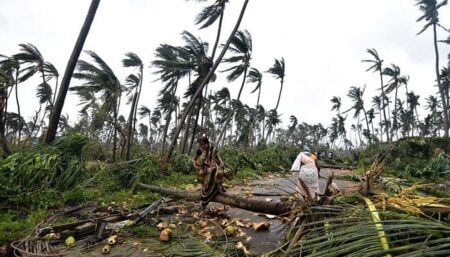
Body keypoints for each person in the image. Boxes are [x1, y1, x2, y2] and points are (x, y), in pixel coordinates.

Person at [193, 135, 232, 208]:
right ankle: (205, 202)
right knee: (205, 186)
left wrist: (222, 163)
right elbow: (194, 159)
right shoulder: (199, 151)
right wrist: (195, 165)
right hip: (205, 170)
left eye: (203, 144)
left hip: (213, 169)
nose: (202, 146)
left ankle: (216, 195)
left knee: (215, 178)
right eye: (200, 144)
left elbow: (218, 157)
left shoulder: (212, 149)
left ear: (207, 143)